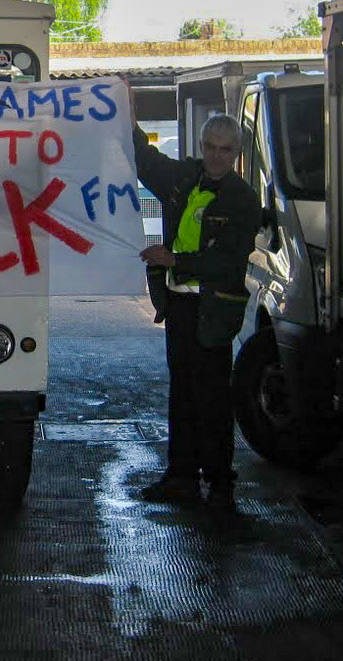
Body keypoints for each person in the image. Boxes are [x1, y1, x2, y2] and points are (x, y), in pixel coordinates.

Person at [131, 105, 260, 512]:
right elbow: (145, 160)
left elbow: (229, 260)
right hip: (180, 305)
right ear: (201, 146)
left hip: (213, 311)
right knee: (182, 393)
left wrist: (174, 260)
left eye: (225, 149)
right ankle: (181, 477)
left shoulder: (243, 199)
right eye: (210, 147)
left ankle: (220, 482)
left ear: (237, 152)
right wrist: (127, 114)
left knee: (213, 398)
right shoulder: (185, 177)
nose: (216, 156)